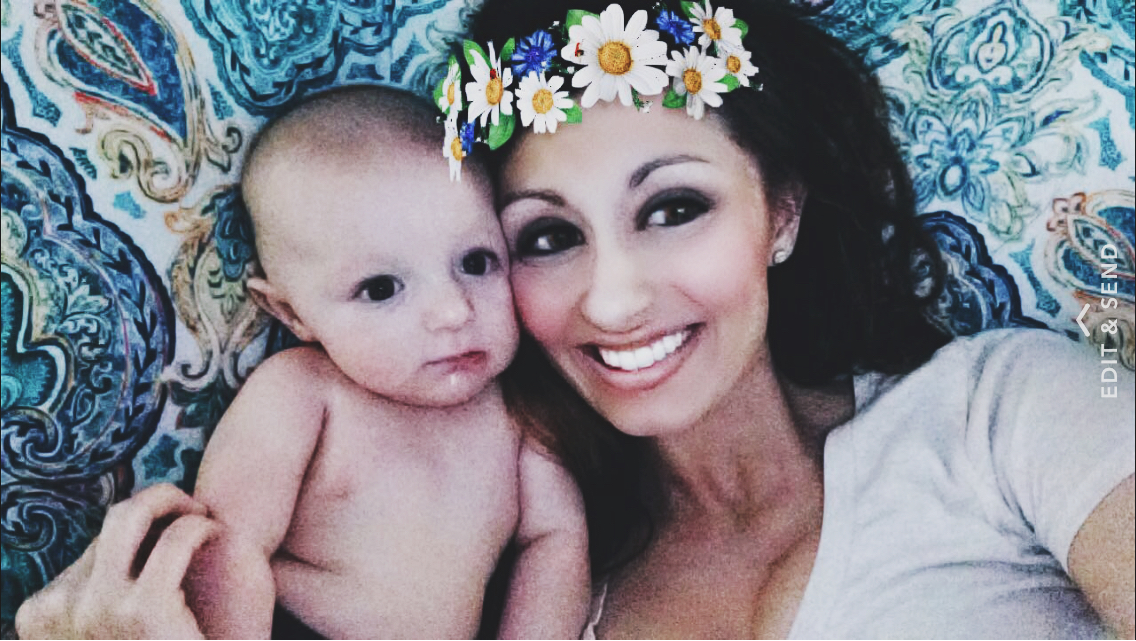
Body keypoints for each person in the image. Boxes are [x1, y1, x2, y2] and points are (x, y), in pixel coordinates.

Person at [15, 0, 1135, 638]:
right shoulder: (554, 594)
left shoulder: (1015, 403)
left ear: (781, 212)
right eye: (547, 236)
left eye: (675, 208)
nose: (613, 297)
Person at [16, 86, 590, 640]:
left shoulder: (516, 412)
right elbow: (226, 543)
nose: (453, 310)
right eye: (381, 288)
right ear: (291, 313)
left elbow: (555, 543)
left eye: (477, 262)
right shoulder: (302, 391)